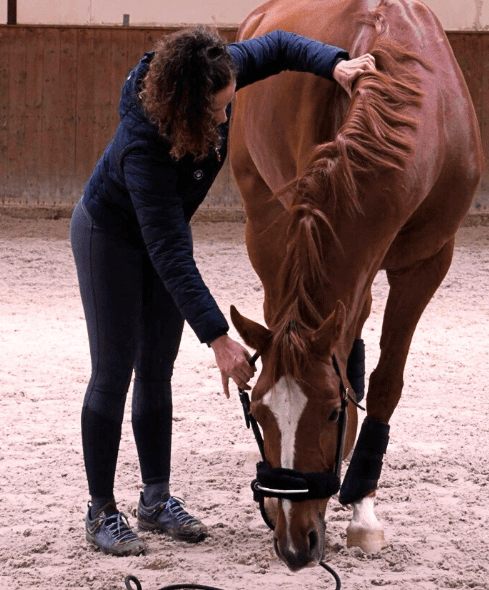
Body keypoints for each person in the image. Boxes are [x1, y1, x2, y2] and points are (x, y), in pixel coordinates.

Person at [71, 25, 375, 556]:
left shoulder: (216, 71)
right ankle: (101, 509)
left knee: (157, 370)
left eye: (226, 103)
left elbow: (280, 45)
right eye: (214, 111)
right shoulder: (146, 143)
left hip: (162, 240)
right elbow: (169, 253)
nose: (223, 116)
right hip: (110, 240)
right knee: (114, 370)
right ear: (185, 108)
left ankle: (156, 499)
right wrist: (218, 337)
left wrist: (335, 64)